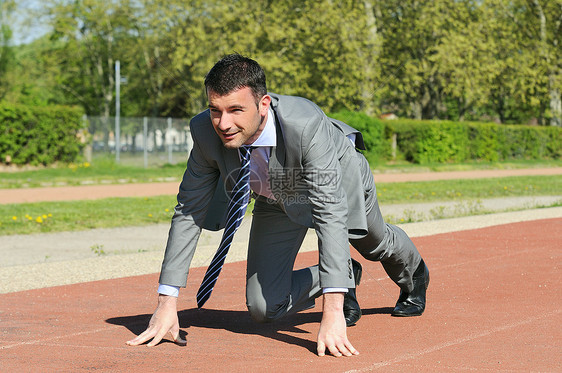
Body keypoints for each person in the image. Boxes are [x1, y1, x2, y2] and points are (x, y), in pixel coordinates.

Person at [126, 53, 429, 357]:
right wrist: (167, 302)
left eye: (235, 110)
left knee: (371, 242)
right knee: (263, 307)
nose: (223, 123)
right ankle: (342, 274)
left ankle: (414, 274)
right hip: (275, 194)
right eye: (215, 110)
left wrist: (333, 310)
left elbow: (329, 211)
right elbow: (188, 211)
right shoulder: (205, 131)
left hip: (336, 178)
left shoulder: (305, 123)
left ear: (263, 103)